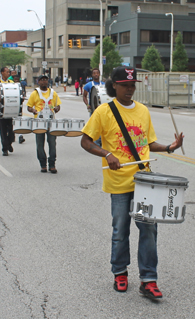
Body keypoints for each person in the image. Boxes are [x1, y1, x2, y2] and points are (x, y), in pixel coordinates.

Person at [80, 66, 184, 300]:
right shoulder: (104, 112)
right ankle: (119, 271)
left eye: (132, 85)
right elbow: (86, 142)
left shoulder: (143, 111)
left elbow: (147, 144)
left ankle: (149, 279)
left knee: (149, 229)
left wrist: (169, 147)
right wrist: (107, 154)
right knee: (120, 230)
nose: (130, 89)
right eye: (125, 85)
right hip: (118, 182)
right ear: (114, 86)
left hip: (143, 180)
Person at [27, 74, 61, 173]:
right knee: (40, 144)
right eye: (42, 80)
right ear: (38, 82)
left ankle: (52, 164)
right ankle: (43, 164)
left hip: (51, 122)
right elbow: (29, 106)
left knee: (52, 143)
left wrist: (56, 109)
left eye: (45, 80)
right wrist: (33, 110)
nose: (44, 82)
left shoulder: (53, 93)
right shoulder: (35, 93)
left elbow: (58, 105)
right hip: (39, 122)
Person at [0, 67, 15, 156]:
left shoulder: (11, 83)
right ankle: (5, 148)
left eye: (9, 72)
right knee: (3, 130)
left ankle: (9, 143)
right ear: (2, 73)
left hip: (11, 109)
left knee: (11, 130)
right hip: (1, 110)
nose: (8, 73)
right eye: (7, 72)